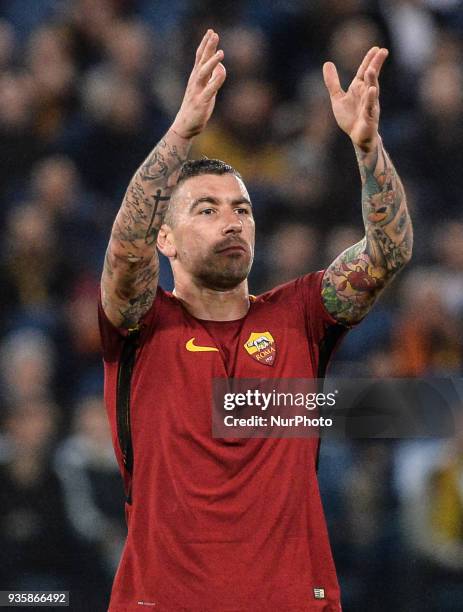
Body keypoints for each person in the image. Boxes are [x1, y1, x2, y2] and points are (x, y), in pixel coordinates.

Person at [98, 29, 412, 611]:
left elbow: (387, 253)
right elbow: (124, 253)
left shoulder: (300, 315)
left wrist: (368, 151)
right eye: (208, 208)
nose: (232, 220)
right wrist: (182, 132)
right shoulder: (141, 325)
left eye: (242, 208)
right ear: (164, 237)